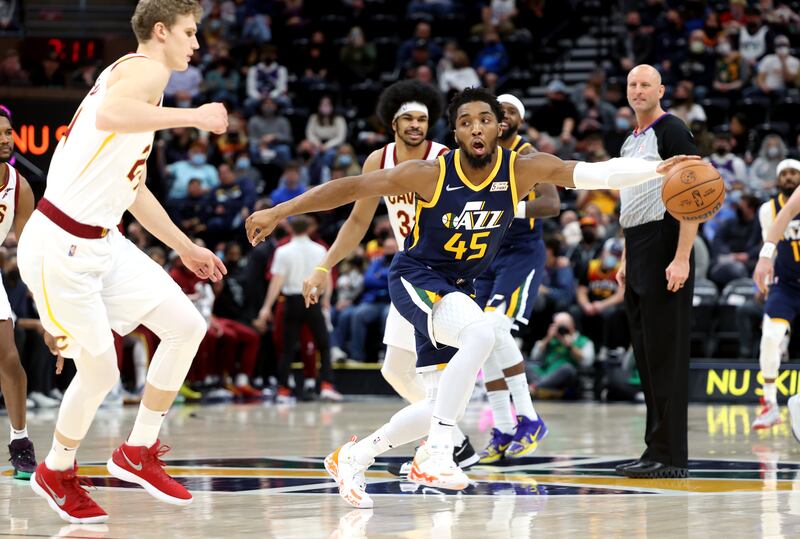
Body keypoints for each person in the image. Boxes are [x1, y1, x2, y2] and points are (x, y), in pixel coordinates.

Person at [247, 87, 695, 507]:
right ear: (456, 133)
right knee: (482, 333)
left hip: (459, 287)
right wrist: (279, 210)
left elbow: (593, 173)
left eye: (485, 119)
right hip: (416, 276)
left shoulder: (522, 168)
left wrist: (659, 168)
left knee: (441, 403)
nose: (477, 128)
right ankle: (436, 456)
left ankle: (354, 457)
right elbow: (347, 190)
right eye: (466, 122)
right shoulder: (428, 173)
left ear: (501, 127)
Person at [18, 0, 228, 524]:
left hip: (103, 241)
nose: (196, 44)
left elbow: (132, 188)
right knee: (101, 372)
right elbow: (113, 114)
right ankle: (57, 469)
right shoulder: (144, 69)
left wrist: (183, 245)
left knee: (185, 325)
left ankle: (137, 450)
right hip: (59, 243)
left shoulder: (139, 81)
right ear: (161, 31)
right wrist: (195, 116)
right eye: (189, 32)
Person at [301, 80, 478, 471]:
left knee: (433, 371)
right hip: (409, 271)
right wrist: (323, 266)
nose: (416, 125)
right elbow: (358, 219)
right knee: (395, 369)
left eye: (423, 119)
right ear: (393, 123)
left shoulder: (445, 157)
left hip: (442, 272)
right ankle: (456, 442)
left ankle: (444, 447)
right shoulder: (378, 161)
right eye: (409, 119)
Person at [615, 65, 699, 480]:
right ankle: (655, 449)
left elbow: (695, 192)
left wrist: (682, 256)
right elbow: (631, 200)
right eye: (632, 84)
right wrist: (626, 258)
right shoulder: (629, 141)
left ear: (661, 89)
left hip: (668, 243)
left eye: (646, 83)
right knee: (647, 356)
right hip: (638, 245)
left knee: (667, 354)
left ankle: (673, 457)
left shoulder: (673, 130)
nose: (638, 90)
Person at [474, 94, 560, 464]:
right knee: (483, 339)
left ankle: (529, 417)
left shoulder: (529, 157)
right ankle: (505, 427)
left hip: (520, 253)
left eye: (510, 112)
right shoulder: (479, 157)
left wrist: (509, 207)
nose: (504, 117)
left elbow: (552, 205)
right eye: (498, 112)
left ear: (520, 120)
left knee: (495, 325)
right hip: (483, 255)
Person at [255, 215, 341, 402]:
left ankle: (284, 389)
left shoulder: (283, 251)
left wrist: (266, 307)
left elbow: (277, 282)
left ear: (290, 230)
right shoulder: (320, 249)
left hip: (291, 301)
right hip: (312, 299)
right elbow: (326, 278)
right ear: (309, 229)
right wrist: (325, 298)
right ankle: (326, 385)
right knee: (324, 344)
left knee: (287, 347)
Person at [0, 107, 37, 479]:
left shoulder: (19, 185)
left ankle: (20, 442)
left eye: (8, 132)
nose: (4, 138)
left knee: (9, 358)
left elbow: (27, 248)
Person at [751, 159, 800, 429]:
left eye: (794, 173)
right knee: (770, 336)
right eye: (785, 174)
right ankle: (770, 403)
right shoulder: (768, 210)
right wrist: (765, 271)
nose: (790, 177)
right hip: (787, 283)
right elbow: (770, 241)